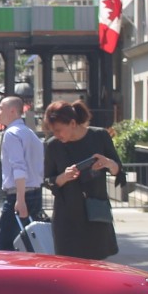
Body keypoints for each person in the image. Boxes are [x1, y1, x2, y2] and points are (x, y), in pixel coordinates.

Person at [42, 100, 123, 260]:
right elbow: (48, 180)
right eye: (53, 131)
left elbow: (118, 170)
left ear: (72, 123)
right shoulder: (53, 145)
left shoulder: (99, 136)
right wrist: (63, 177)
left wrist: (108, 163)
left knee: (96, 268)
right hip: (67, 217)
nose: (57, 135)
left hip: (95, 213)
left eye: (59, 130)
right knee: (68, 266)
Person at [0, 95, 45, 251]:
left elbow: (19, 167)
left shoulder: (11, 134)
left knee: (6, 248)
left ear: (12, 111)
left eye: (1, 108)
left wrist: (20, 199)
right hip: (35, 193)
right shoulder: (30, 133)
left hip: (19, 195)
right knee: (30, 246)